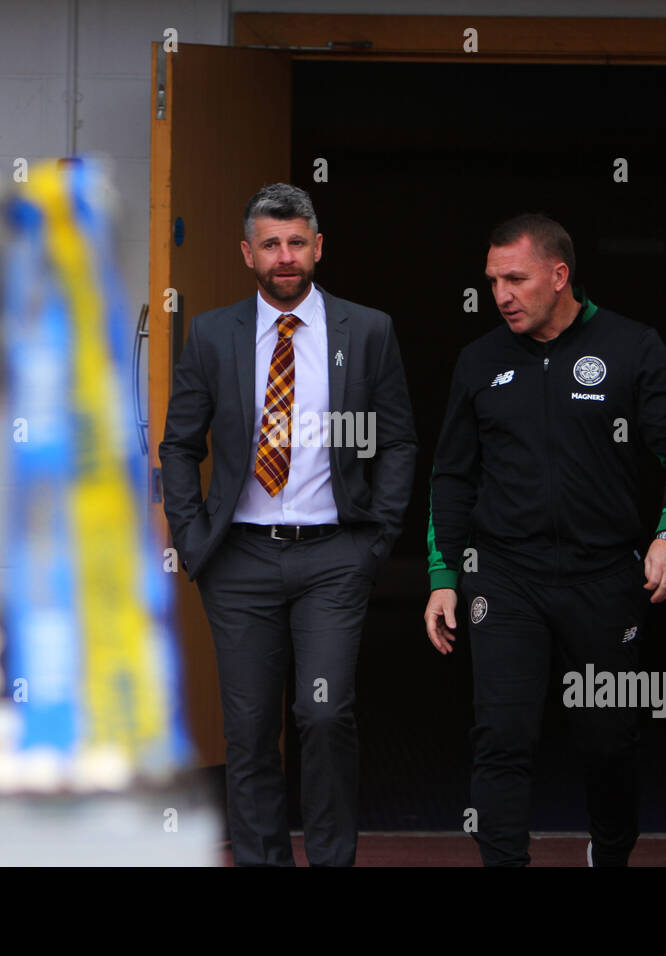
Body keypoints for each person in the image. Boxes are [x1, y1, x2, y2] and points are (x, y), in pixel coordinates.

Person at [423, 212, 666, 867]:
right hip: (505, 577)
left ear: (560, 275)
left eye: (516, 279)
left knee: (609, 739)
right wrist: (443, 578)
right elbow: (451, 475)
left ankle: (609, 853)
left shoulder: (632, 346)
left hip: (605, 578)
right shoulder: (479, 361)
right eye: (493, 280)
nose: (501, 295)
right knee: (502, 736)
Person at [159, 183, 417, 866]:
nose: (285, 256)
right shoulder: (214, 334)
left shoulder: (368, 330)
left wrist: (377, 539)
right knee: (248, 731)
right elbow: (179, 445)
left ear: (318, 247)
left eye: (297, 242)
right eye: (270, 244)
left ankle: (331, 859)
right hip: (237, 560)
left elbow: (397, 441)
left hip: (335, 556)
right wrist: (193, 541)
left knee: (324, 714)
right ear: (248, 253)